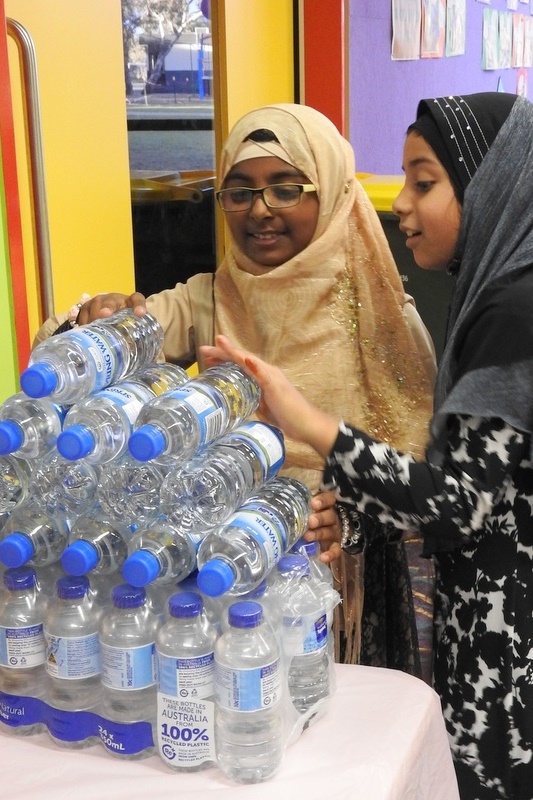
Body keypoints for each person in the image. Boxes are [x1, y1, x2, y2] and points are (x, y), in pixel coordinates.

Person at [199, 93, 533, 799]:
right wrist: (350, 515)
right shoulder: (495, 297)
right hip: (481, 616)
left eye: (424, 181)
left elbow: (456, 505)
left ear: (489, 183)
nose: (400, 204)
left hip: (507, 649)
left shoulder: (512, 314)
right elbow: (474, 481)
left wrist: (310, 422)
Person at [35, 103, 435, 670]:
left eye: (286, 188)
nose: (260, 211)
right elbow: (131, 327)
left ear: (332, 196)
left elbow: (422, 466)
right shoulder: (211, 296)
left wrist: (352, 518)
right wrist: (93, 320)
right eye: (239, 192)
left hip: (345, 567)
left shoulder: (383, 316)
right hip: (227, 552)